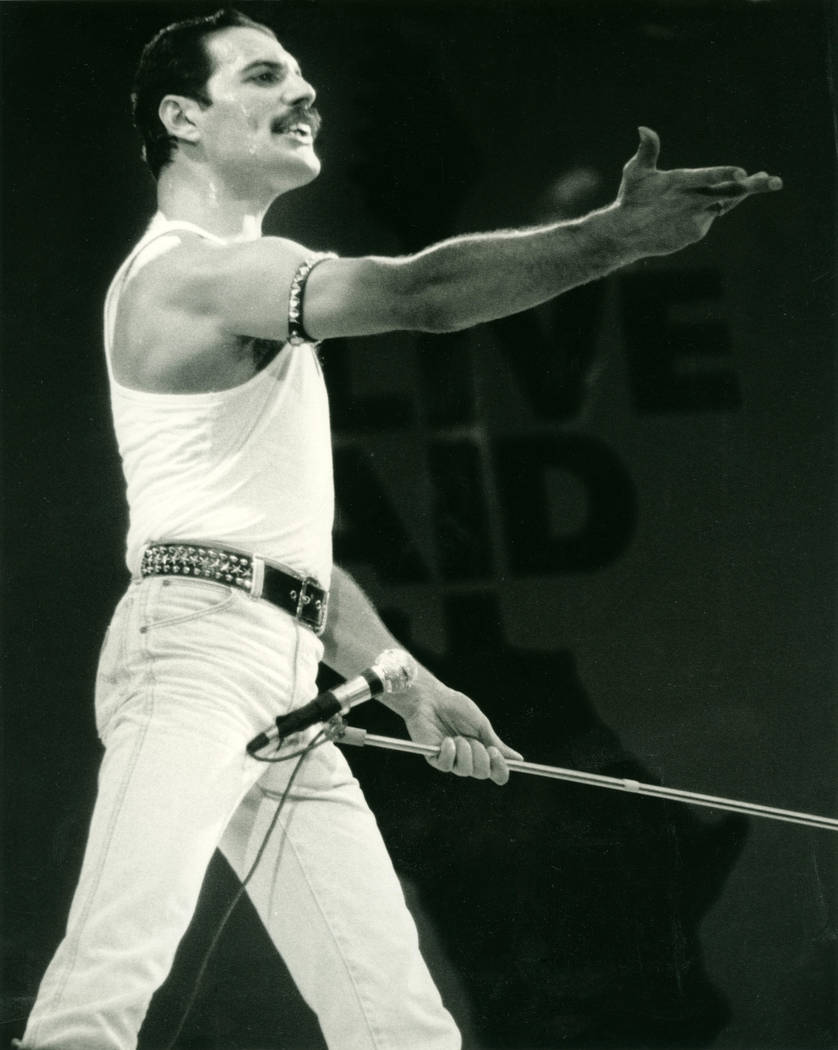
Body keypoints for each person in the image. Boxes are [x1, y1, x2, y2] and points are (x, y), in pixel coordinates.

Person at [17, 8, 782, 1050]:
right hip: (189, 658)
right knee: (102, 992)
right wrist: (613, 237)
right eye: (263, 75)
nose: (305, 92)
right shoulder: (186, 275)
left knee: (402, 1029)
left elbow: (280, 563)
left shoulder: (231, 284)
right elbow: (418, 295)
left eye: (299, 72)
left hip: (283, 673)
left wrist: (405, 681)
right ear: (181, 116)